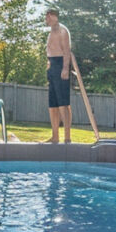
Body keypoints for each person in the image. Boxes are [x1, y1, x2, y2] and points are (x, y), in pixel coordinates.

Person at [44, 9, 73, 143]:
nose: (47, 19)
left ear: (54, 17)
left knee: (63, 103)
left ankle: (67, 138)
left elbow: (67, 51)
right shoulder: (51, 32)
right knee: (53, 104)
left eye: (49, 16)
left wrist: (65, 68)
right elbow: (51, 49)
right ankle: (55, 136)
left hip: (61, 65)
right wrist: (49, 64)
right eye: (47, 16)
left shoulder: (62, 31)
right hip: (52, 66)